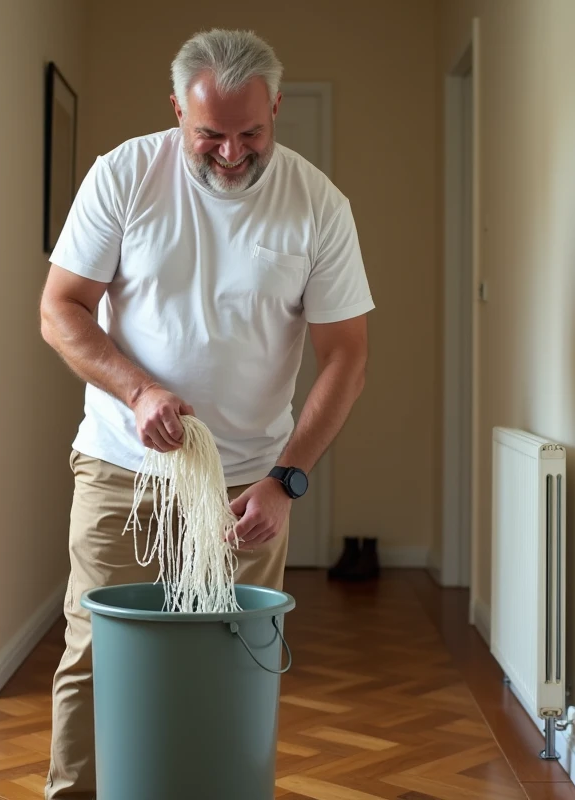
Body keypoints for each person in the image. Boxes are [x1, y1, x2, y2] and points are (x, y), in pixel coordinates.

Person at [37, 28, 374, 799]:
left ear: (277, 109)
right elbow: (61, 310)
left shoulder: (318, 205)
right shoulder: (123, 176)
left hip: (248, 485)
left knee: (234, 657)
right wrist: (138, 391)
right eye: (209, 135)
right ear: (176, 113)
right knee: (94, 655)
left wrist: (287, 481)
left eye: (250, 132)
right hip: (123, 468)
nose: (230, 153)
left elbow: (347, 357)